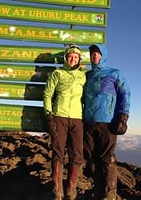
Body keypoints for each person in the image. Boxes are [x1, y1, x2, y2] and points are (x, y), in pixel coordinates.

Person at [83, 44, 130, 200]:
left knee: (107, 157)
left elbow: (125, 94)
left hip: (107, 122)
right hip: (89, 122)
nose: (95, 56)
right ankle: (98, 192)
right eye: (92, 54)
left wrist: (123, 116)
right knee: (92, 158)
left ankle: (109, 195)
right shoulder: (87, 75)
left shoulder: (114, 73)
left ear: (103, 55)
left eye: (97, 54)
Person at [43, 44, 86, 200]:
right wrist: (49, 115)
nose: (72, 59)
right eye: (70, 56)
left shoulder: (83, 76)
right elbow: (47, 95)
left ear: (79, 59)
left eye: (75, 57)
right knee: (58, 152)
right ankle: (57, 190)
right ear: (65, 58)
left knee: (77, 155)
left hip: (77, 118)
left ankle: (70, 190)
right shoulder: (57, 73)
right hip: (59, 116)